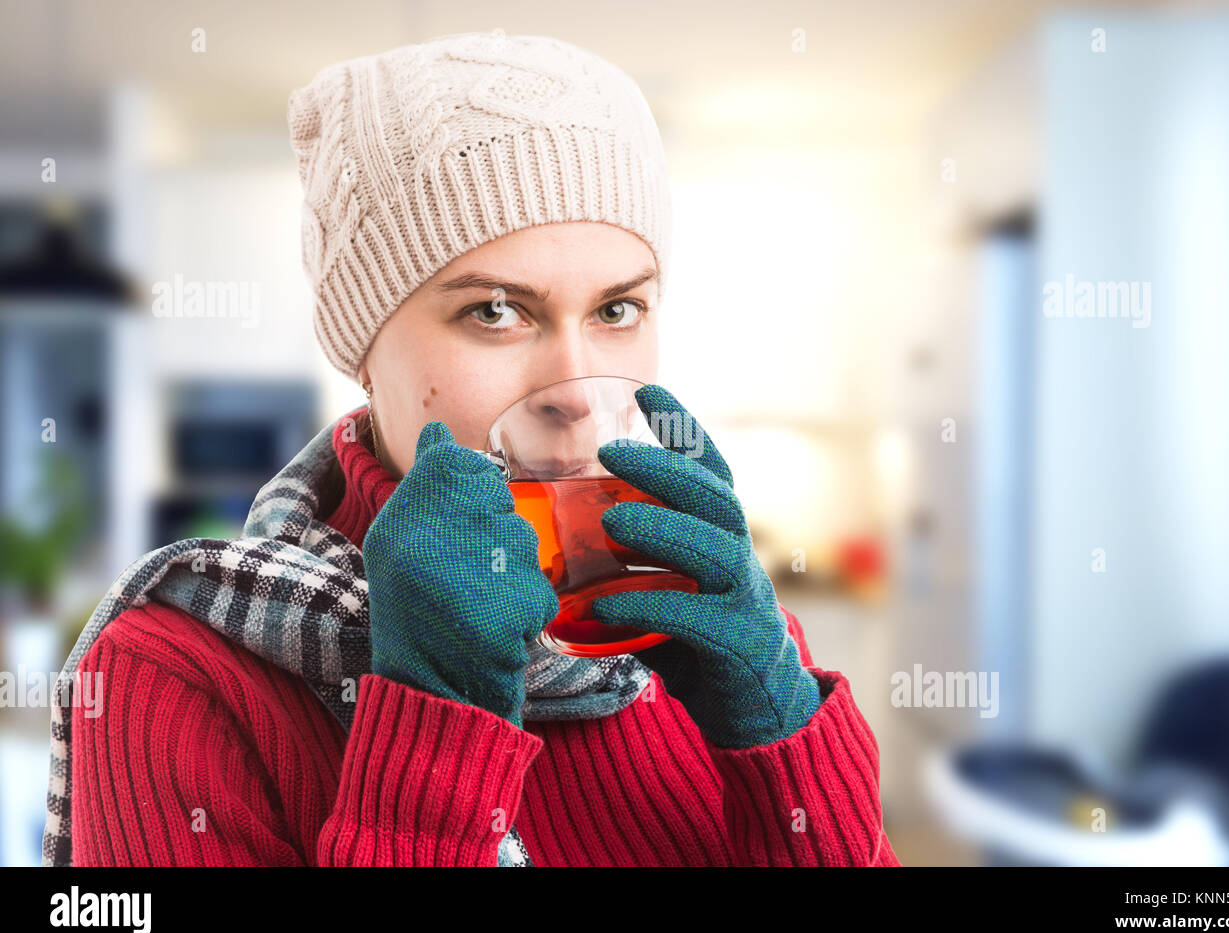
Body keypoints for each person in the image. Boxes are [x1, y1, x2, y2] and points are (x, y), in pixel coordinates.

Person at [42, 29, 900, 867]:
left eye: (616, 310)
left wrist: (783, 741)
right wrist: (435, 729)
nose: (573, 386)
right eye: (495, 310)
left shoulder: (710, 628)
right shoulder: (170, 678)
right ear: (365, 349)